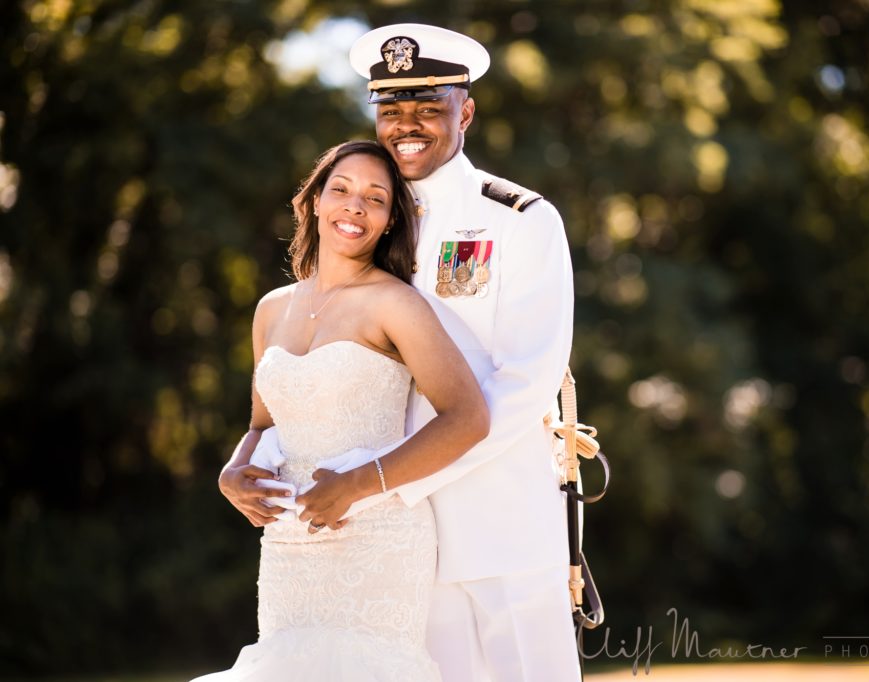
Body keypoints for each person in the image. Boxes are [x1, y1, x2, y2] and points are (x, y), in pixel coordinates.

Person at [240, 23, 581, 681]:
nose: (408, 125)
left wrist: (384, 482)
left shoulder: (516, 219)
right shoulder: (366, 219)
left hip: (495, 523)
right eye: (391, 109)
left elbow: (526, 379)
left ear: (467, 111)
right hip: (386, 554)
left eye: (430, 107)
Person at [195, 139, 489, 681]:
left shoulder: (396, 303)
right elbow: (263, 423)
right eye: (342, 190)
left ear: (389, 222)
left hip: (376, 539)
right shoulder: (270, 310)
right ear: (313, 202)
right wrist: (233, 473)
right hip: (287, 544)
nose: (356, 206)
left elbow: (469, 417)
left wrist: (355, 485)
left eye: (375, 198)